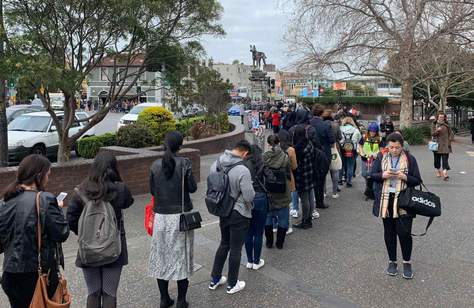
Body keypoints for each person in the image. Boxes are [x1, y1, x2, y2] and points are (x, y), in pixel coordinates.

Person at [0, 155, 69, 308]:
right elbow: (62, 233)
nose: (48, 179)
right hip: (37, 276)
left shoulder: (5, 201)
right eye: (48, 174)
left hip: (10, 275)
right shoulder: (45, 199)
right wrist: (57, 209)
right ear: (39, 175)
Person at [67, 152, 134, 308]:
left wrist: (86, 233)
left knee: (93, 292)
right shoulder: (121, 189)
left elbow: (70, 219)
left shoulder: (81, 190)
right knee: (109, 292)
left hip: (88, 247)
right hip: (114, 247)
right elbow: (128, 202)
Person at [146, 131, 197, 308]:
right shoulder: (185, 163)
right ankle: (181, 301)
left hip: (160, 218)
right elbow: (192, 188)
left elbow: (153, 191)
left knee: (162, 258)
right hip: (180, 220)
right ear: (180, 146)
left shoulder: (154, 165)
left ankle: (164, 299)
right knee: (181, 259)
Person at [371, 133, 422, 279]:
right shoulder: (381, 157)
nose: (394, 150)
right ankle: (392, 261)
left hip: (404, 200)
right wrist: (383, 175)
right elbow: (372, 174)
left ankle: (407, 262)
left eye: (397, 147)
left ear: (402, 146)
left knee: (404, 233)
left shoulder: (410, 159)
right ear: (387, 146)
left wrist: (404, 177)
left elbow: (417, 180)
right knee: (389, 232)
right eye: (391, 147)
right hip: (386, 200)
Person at [209, 140, 255, 294]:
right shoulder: (242, 169)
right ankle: (232, 284)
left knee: (224, 244)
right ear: (245, 153)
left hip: (223, 210)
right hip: (239, 212)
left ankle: (214, 279)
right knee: (236, 249)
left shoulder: (216, 163)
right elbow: (249, 196)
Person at [244, 145, 273, 270]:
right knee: (258, 232)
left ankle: (249, 260)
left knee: (248, 231)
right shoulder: (262, 164)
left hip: (247, 199)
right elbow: (271, 178)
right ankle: (257, 261)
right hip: (261, 198)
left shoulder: (243, 165)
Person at [263, 135, 291, 249]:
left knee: (268, 217)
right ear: (278, 143)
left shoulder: (264, 157)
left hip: (268, 191)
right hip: (282, 190)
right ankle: (280, 243)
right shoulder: (285, 156)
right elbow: (289, 171)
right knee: (283, 218)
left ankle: (269, 242)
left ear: (268, 144)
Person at [310, 104, 335, 209]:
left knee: (311, 178)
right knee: (321, 179)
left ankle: (311, 201)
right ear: (322, 113)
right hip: (324, 154)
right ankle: (319, 201)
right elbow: (332, 140)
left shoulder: (308, 123)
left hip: (310, 153)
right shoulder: (325, 125)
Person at [292, 125, 316, 229]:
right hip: (310, 173)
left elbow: (294, 165)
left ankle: (305, 221)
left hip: (301, 176)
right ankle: (309, 218)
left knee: (304, 199)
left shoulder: (297, 148)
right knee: (310, 196)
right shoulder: (309, 143)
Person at [358, 122, 384, 200]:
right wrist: (362, 153)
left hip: (375, 160)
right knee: (365, 174)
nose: (372, 133)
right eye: (371, 131)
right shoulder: (364, 137)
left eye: (374, 131)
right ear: (368, 131)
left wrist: (377, 155)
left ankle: (371, 191)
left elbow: (382, 149)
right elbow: (360, 146)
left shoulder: (380, 139)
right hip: (365, 159)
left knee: (372, 175)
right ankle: (368, 187)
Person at [278, 130, 299, 218]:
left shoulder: (274, 148)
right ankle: (294, 208)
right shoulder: (291, 150)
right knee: (293, 190)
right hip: (288, 174)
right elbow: (294, 166)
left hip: (277, 176)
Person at [323, 109, 342, 198]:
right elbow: (340, 137)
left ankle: (324, 192)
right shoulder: (336, 125)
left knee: (323, 172)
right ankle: (334, 192)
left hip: (323, 149)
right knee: (335, 170)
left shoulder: (321, 125)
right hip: (335, 148)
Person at [339, 117, 362, 187]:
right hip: (352, 150)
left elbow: (338, 138)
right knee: (350, 166)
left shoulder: (340, 128)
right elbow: (359, 140)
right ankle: (349, 181)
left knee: (341, 165)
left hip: (342, 149)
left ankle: (340, 180)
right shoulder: (356, 130)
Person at [431, 112, 454, 180]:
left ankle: (445, 173)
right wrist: (437, 131)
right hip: (437, 145)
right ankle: (438, 170)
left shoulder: (447, 124)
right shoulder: (434, 124)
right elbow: (432, 134)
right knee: (437, 160)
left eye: (442, 117)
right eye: (440, 117)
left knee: (445, 160)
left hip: (445, 145)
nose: (441, 118)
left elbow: (451, 133)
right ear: (437, 117)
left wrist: (450, 140)